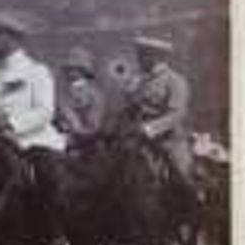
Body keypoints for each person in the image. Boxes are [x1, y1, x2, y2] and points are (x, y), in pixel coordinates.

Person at [0, 11, 65, 226]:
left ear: (11, 39)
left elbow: (45, 111)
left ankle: (54, 233)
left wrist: (12, 124)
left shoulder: (37, 71)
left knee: (46, 174)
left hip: (33, 141)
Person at [125, 33, 194, 192]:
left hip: (169, 140)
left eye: (143, 55)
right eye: (139, 54)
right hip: (139, 140)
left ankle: (192, 209)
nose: (139, 59)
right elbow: (134, 109)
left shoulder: (175, 81)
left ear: (155, 57)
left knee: (183, 178)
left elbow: (177, 114)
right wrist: (129, 94)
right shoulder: (139, 80)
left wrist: (150, 128)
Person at [53, 47, 109, 144]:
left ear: (84, 71)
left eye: (75, 69)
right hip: (66, 138)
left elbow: (94, 124)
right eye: (69, 69)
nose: (71, 73)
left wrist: (74, 126)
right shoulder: (65, 92)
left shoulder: (94, 94)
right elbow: (60, 113)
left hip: (87, 141)